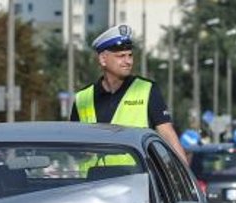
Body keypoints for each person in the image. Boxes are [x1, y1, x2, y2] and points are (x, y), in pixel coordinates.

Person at [70, 24, 187, 164]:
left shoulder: (146, 89)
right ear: (103, 59)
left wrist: (186, 176)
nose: (128, 61)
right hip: (93, 182)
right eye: (121, 56)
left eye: (130, 55)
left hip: (136, 180)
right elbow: (73, 146)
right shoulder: (82, 98)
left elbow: (167, 134)